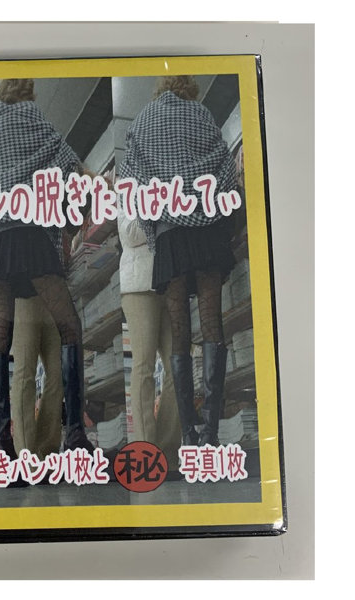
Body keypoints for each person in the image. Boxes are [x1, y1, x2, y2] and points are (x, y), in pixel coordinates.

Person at [0, 78, 93, 459]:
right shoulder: (36, 121)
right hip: (32, 237)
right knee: (70, 327)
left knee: (1, 335)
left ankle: (3, 440)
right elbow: (74, 170)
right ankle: (75, 432)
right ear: (29, 93)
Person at [119, 75, 237, 447]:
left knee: (180, 332)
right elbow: (226, 168)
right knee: (212, 323)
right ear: (190, 90)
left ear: (160, 89)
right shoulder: (203, 115)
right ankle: (211, 433)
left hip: (171, 234)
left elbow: (132, 183)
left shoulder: (143, 120)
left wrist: (155, 226)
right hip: (208, 229)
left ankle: (188, 432)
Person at [117, 209, 181, 469]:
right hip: (138, 286)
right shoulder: (128, 192)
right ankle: (146, 450)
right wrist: (160, 209)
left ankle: (168, 450)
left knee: (178, 365)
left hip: (171, 280)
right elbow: (130, 234)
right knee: (144, 364)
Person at [11, 296, 63, 460]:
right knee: (25, 373)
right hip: (25, 293)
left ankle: (47, 451)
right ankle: (27, 454)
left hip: (54, 298)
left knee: (59, 374)